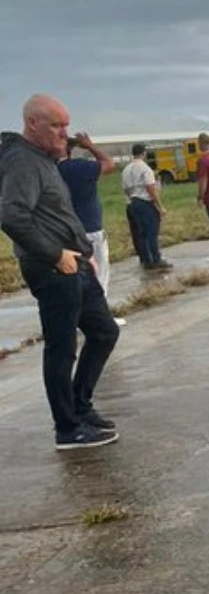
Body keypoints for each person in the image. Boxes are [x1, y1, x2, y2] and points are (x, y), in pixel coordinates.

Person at [0, 94, 121, 450]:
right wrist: (55, 255)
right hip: (52, 268)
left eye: (66, 125)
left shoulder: (43, 158)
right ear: (32, 124)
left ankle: (80, 407)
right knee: (61, 347)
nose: (63, 133)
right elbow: (12, 215)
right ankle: (67, 428)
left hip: (76, 262)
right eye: (55, 125)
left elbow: (53, 213)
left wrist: (83, 251)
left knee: (104, 332)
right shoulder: (22, 160)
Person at [57, 132, 126, 326]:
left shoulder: (50, 170)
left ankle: (77, 318)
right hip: (90, 228)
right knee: (99, 274)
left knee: (74, 277)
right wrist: (89, 145)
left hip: (65, 232)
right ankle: (99, 318)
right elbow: (109, 164)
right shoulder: (80, 168)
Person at [122, 144, 171, 270]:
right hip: (145, 202)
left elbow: (126, 189)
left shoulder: (126, 169)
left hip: (133, 202)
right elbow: (151, 188)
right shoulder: (145, 169)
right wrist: (160, 205)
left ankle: (146, 259)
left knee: (141, 232)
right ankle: (156, 258)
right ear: (143, 153)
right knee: (151, 232)